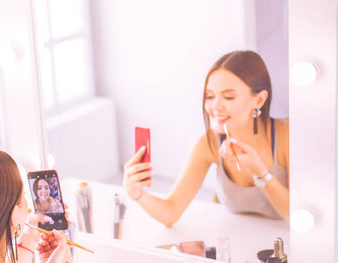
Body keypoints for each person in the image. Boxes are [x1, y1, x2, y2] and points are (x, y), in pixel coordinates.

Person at [123, 50, 289, 226]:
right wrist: (136, 194)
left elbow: (296, 215)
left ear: (259, 100)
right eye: (210, 96)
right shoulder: (208, 144)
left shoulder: (286, 136)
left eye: (228, 97)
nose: (215, 106)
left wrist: (260, 173)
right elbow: (170, 212)